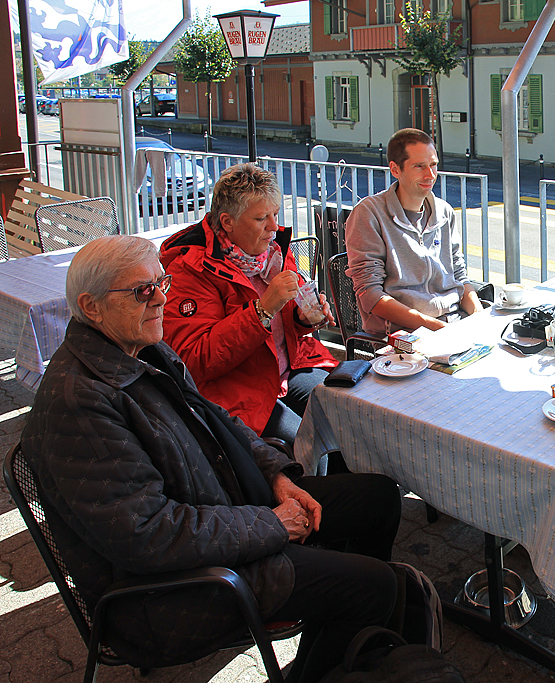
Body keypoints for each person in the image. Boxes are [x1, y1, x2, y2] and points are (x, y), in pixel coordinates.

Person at [20, 235, 402, 683]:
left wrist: (277, 475)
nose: (163, 298)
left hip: (224, 508)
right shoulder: (79, 404)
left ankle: (329, 646)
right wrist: (273, 525)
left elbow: (216, 418)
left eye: (161, 282)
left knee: (379, 498)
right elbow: (149, 534)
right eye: (144, 291)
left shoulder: (140, 347)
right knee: (376, 586)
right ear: (91, 306)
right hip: (172, 591)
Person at [160, 163, 337, 445]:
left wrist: (303, 320)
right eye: (260, 218)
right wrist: (262, 310)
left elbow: (284, 329)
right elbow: (194, 360)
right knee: (311, 445)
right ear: (228, 222)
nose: (273, 227)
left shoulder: (274, 251)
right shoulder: (190, 269)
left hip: (289, 367)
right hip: (236, 387)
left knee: (348, 416)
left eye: (275, 214)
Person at [345, 128, 483, 336]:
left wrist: (480, 318)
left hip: (452, 322)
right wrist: (438, 329)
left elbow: (460, 277)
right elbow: (370, 296)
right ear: (395, 169)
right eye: (419, 166)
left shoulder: (444, 212)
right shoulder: (369, 214)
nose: (430, 175)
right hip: (403, 334)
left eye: (433, 165)